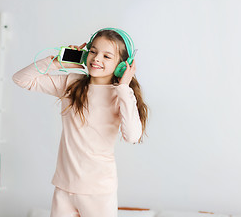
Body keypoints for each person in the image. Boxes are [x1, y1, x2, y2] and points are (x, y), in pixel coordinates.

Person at [13, 28, 149, 217]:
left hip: (98, 192)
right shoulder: (71, 83)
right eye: (93, 51)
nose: (96, 59)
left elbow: (132, 136)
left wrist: (124, 87)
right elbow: (21, 79)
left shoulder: (120, 95)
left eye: (107, 56)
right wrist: (58, 62)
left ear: (121, 65)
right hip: (64, 187)